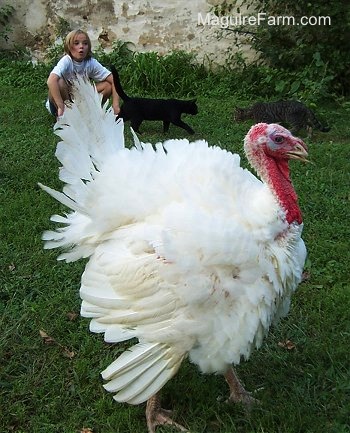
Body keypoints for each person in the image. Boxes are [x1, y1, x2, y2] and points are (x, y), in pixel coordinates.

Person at [46, 29, 120, 118]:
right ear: (69, 46)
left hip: (80, 98)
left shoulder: (90, 62)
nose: (81, 46)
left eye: (85, 43)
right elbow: (51, 81)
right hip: (62, 102)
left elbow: (113, 79)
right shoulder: (67, 61)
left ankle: (89, 113)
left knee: (108, 86)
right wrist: (60, 105)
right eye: (76, 43)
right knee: (59, 82)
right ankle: (66, 115)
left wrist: (115, 104)